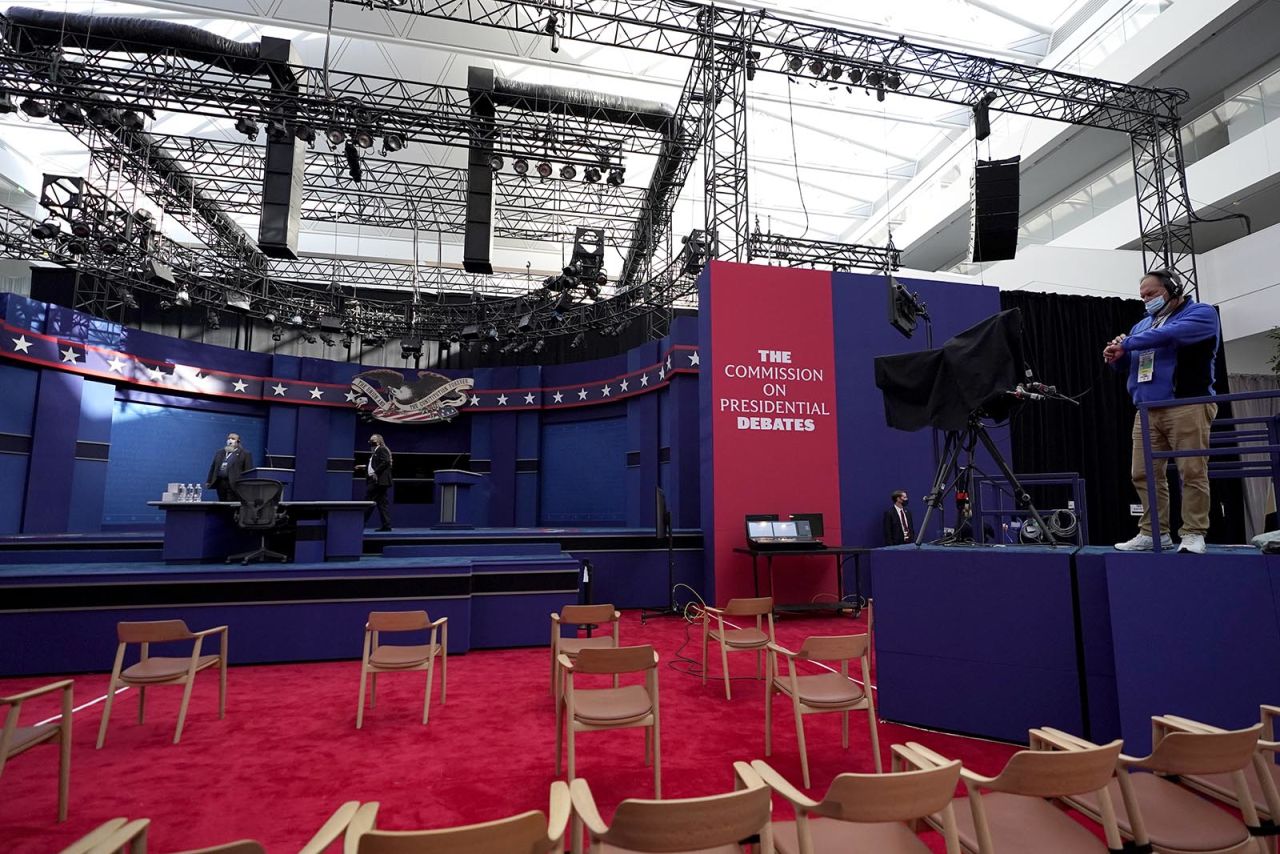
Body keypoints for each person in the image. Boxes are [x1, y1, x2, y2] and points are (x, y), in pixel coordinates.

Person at [1104, 269, 1220, 554]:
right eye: (1142, 295)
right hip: (1145, 409)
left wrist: (1127, 342)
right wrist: (1115, 355)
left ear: (1172, 289)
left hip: (1187, 404)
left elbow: (1171, 334)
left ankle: (1193, 532)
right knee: (1142, 474)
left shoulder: (1201, 313)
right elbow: (1130, 360)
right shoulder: (1142, 325)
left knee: (1191, 471)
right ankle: (1154, 532)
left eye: (1152, 293)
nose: (1146, 300)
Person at [206, 432, 253, 502]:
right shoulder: (220, 452)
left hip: (234, 484)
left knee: (231, 506)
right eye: (229, 438)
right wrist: (209, 481)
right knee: (222, 504)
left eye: (233, 438)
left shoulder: (245, 454)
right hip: (221, 483)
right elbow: (213, 467)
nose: (230, 440)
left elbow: (248, 471)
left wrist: (245, 486)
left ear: (238, 441)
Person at [363, 433, 393, 532]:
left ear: (379, 440)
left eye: (373, 439)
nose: (371, 441)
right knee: (382, 504)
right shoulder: (374, 451)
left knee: (368, 501)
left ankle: (360, 522)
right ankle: (386, 525)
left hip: (378, 481)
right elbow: (375, 464)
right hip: (376, 480)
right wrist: (364, 467)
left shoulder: (382, 449)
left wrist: (376, 472)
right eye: (370, 439)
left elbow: (386, 461)